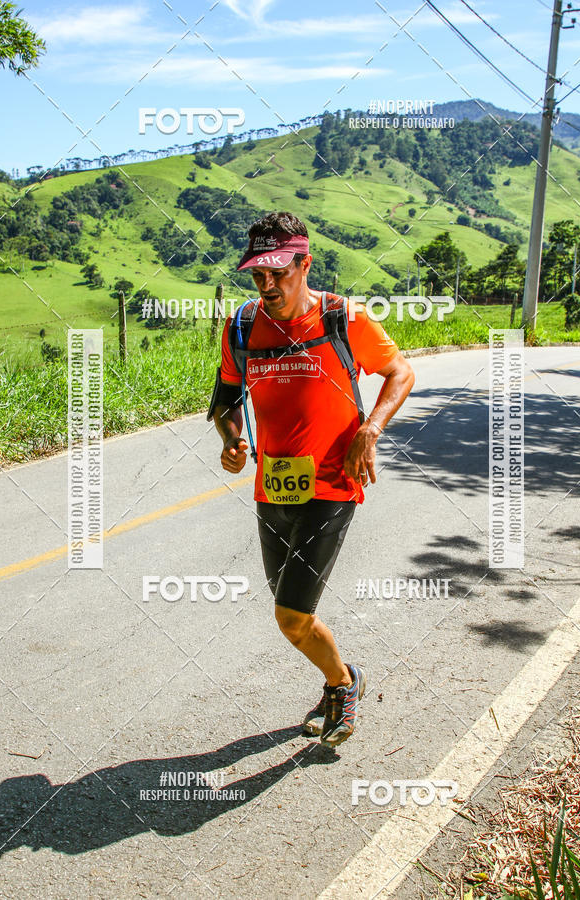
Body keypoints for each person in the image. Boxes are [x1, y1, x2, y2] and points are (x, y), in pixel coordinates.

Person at [210, 211, 415, 747]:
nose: (268, 286)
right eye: (258, 276)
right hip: (273, 488)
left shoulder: (343, 319)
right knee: (292, 619)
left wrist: (370, 429)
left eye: (280, 273)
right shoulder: (241, 327)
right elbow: (225, 400)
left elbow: (401, 372)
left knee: (291, 614)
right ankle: (341, 679)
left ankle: (343, 685)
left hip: (332, 484)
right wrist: (231, 440)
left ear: (305, 264)